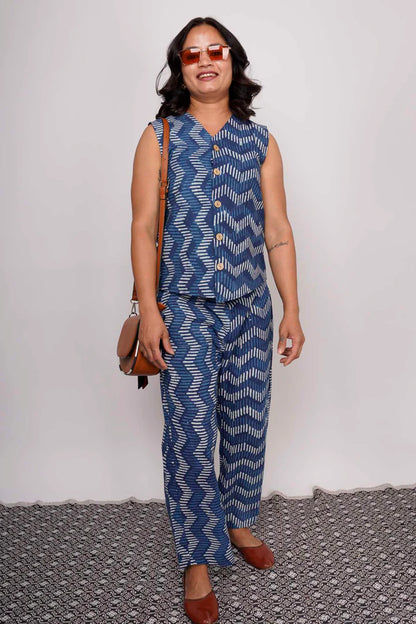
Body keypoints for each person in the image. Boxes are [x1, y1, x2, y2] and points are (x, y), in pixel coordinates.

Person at [130, 16, 305, 624]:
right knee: (190, 433)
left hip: (251, 308)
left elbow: (277, 229)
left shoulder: (260, 142)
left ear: (234, 61)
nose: (205, 61)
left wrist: (291, 308)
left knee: (247, 421)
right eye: (192, 54)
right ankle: (197, 558)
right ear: (180, 69)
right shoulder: (159, 137)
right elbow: (143, 228)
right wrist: (149, 311)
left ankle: (238, 519)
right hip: (182, 310)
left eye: (216, 51)